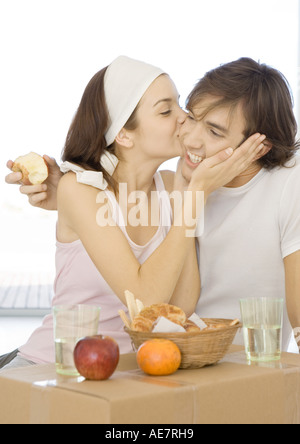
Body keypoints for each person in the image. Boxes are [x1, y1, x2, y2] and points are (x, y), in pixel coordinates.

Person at [1, 56, 265, 370]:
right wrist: (196, 195)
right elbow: (145, 301)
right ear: (124, 134)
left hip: (128, 371)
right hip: (51, 367)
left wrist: (185, 191)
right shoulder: (79, 190)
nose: (185, 118)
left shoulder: (171, 186)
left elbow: (179, 308)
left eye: (180, 105)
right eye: (166, 110)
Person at [179, 57, 300, 351]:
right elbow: (175, 310)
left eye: (214, 131)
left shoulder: (289, 181)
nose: (191, 141)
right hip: (184, 360)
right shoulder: (184, 181)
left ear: (260, 146)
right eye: (192, 119)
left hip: (252, 371)